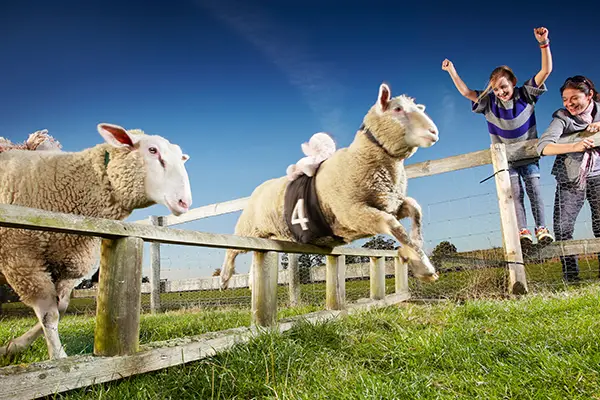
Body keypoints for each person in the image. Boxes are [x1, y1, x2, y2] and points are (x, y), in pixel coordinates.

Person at [441, 27, 555, 248]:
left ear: (513, 82)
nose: (501, 92)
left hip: (528, 156)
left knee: (535, 192)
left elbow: (546, 70)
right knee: (515, 196)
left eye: (504, 86)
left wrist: (544, 43)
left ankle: (541, 228)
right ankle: (523, 231)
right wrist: (451, 71)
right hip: (505, 161)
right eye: (496, 89)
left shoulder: (526, 94)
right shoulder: (488, 103)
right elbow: (466, 92)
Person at [537, 75, 600, 281]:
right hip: (571, 181)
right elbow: (543, 146)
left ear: (589, 95)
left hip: (598, 176)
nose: (569, 103)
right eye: (565, 99)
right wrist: (574, 145)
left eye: (574, 98)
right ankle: (571, 276)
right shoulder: (562, 118)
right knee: (563, 228)